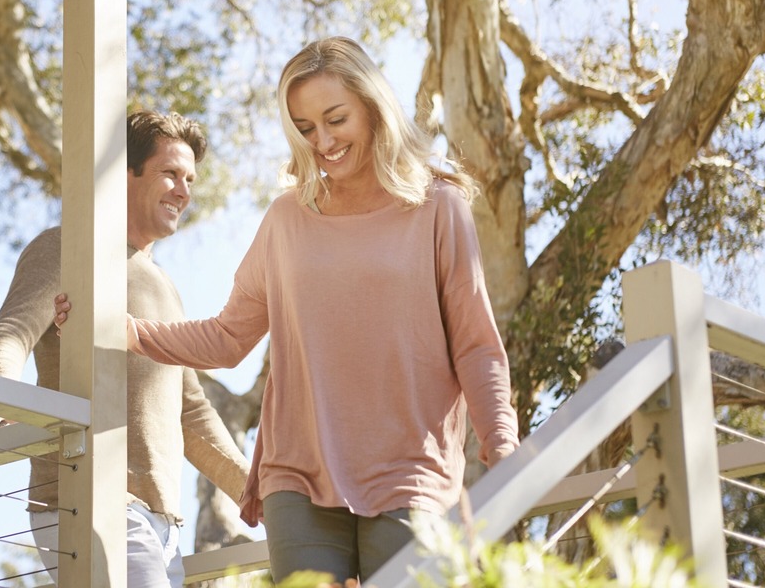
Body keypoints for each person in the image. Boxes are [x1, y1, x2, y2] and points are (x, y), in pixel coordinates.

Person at [55, 37, 520, 584]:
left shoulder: (438, 207)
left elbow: (475, 343)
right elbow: (229, 338)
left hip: (411, 472)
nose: (321, 141)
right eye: (304, 128)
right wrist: (122, 329)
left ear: (372, 106)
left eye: (335, 119)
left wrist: (501, 442)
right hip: (296, 478)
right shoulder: (287, 218)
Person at [0, 110, 249, 588]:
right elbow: (12, 330)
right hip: (88, 494)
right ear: (127, 173)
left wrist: (254, 489)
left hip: (164, 524)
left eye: (190, 179)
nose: (184, 190)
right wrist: (1, 391)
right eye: (170, 173)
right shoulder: (69, 247)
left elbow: (190, 410)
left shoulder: (165, 288)